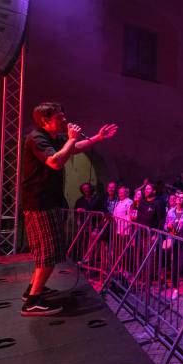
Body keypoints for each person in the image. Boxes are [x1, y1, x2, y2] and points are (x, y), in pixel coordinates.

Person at [20, 102, 117, 316]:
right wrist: (72, 138)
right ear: (45, 121)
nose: (65, 120)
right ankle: (33, 302)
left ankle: (33, 290)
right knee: (49, 252)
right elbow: (55, 162)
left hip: (48, 202)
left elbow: (74, 149)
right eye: (59, 118)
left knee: (45, 251)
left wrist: (98, 137)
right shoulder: (36, 138)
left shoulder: (54, 137)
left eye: (64, 116)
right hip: (40, 204)